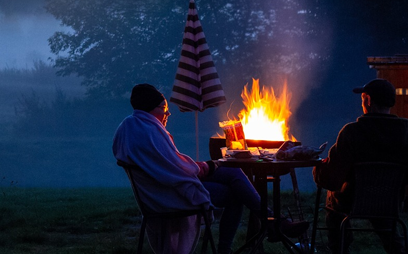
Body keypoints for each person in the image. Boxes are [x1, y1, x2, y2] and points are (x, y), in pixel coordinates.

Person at [114, 83, 304, 254]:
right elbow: (176, 169)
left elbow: (170, 165)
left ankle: (272, 223)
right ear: (150, 108)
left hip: (160, 190)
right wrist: (208, 167)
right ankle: (265, 228)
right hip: (170, 195)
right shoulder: (150, 131)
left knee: (233, 171)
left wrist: (210, 166)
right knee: (235, 192)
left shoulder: (129, 127)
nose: (167, 114)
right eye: (163, 108)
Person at [314, 78, 408, 254]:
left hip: (352, 202)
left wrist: (318, 169)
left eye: (363, 98)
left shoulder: (352, 132)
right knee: (381, 203)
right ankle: (397, 248)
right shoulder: (405, 131)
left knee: (332, 198)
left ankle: (339, 248)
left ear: (368, 101)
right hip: (391, 200)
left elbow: (331, 180)